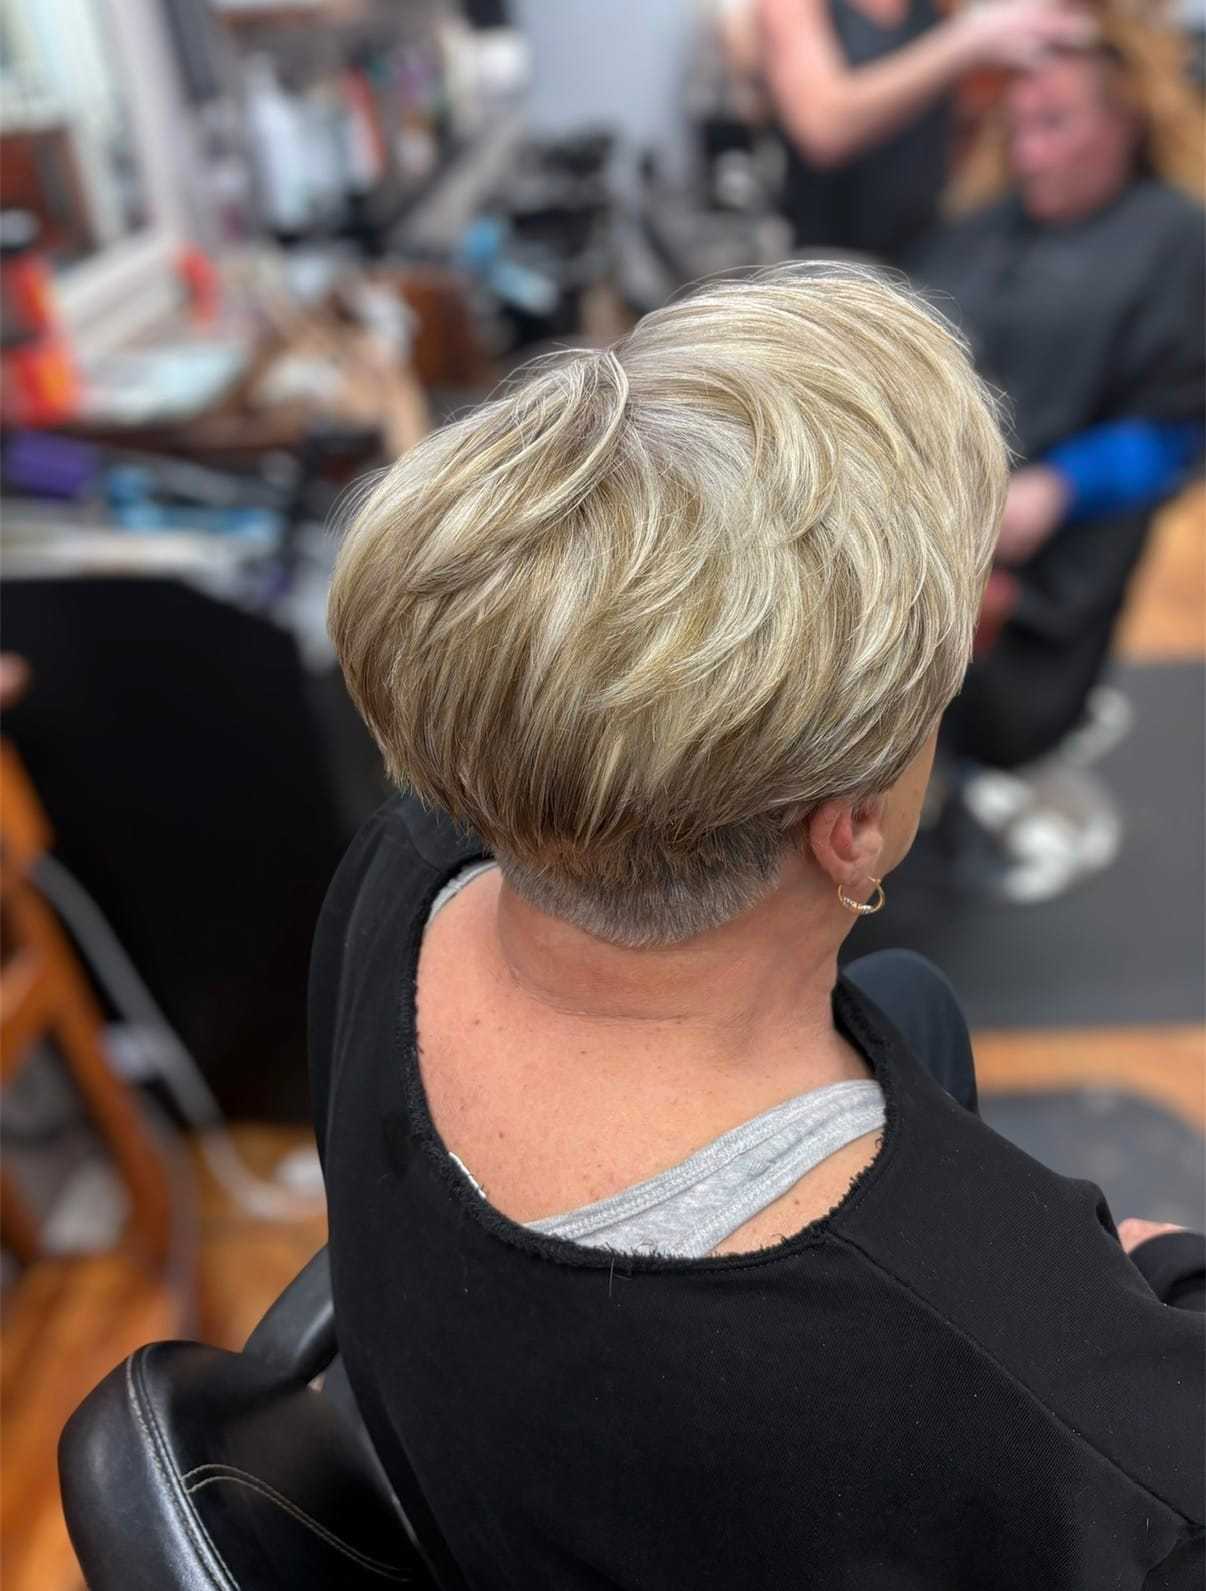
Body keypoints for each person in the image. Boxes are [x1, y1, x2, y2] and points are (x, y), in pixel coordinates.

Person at [313, 268, 1203, 1590]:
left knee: (908, 999)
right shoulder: (1025, 1384)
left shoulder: (400, 869)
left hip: (510, 1467)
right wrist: (1154, 1282)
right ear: (846, 827)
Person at [905, 29, 1204, 783]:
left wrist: (1060, 485)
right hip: (935, 525)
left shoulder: (1175, 240)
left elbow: (1182, 426)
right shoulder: (988, 225)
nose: (1030, 154)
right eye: (1021, 127)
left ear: (1125, 119)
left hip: (1048, 574)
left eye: (1057, 126)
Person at [754, 0, 1091, 258]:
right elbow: (823, 128)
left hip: (930, 248)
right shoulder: (795, 6)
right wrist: (966, 42)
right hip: (826, 257)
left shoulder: (940, 7)